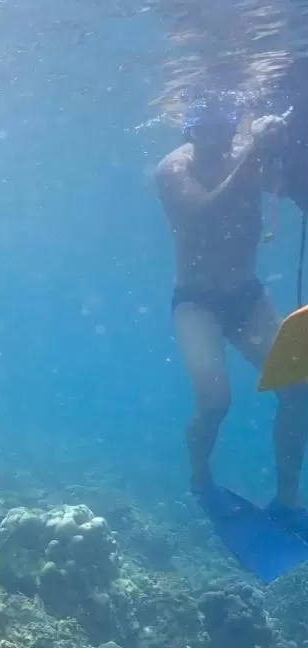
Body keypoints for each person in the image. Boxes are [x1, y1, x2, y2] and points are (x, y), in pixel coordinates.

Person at [155, 92, 308, 582]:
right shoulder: (172, 170)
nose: (213, 131)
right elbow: (203, 214)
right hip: (196, 302)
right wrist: (253, 153)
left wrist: (288, 147)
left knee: (299, 390)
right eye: (201, 121)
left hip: (248, 296)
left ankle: (287, 500)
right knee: (215, 401)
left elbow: (293, 188)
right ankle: (201, 481)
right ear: (186, 126)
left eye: (224, 120)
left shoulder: (251, 155)